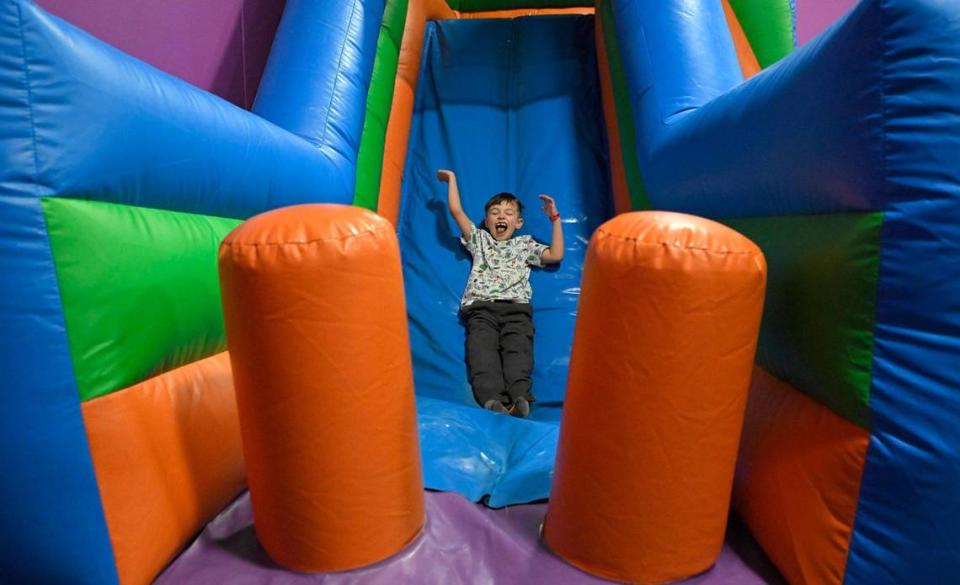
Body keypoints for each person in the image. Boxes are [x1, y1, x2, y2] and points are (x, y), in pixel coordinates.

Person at [437, 169, 564, 418]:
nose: (500, 217)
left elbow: (556, 255)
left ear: (518, 223)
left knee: (519, 354)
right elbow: (456, 211)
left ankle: (520, 398)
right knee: (481, 354)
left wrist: (555, 219)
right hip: (481, 310)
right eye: (495, 213)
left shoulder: (525, 244)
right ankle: (491, 399)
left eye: (508, 213)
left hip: (517, 310)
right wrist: (452, 179)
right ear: (486, 221)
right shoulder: (480, 240)